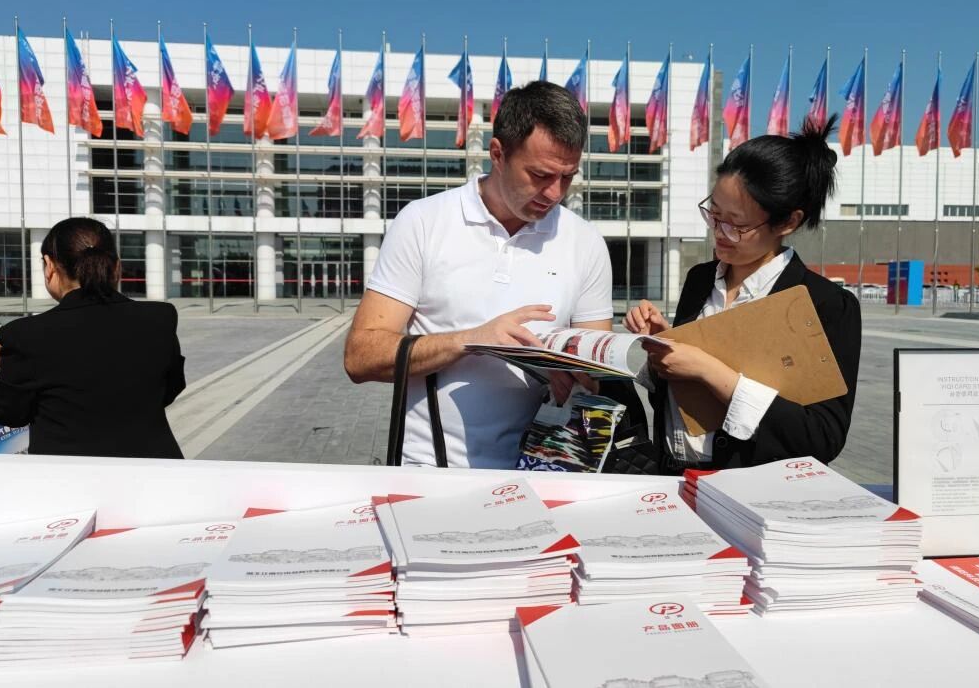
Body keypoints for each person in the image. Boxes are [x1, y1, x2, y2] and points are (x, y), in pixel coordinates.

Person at [345, 81, 613, 469]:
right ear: (498, 154)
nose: (555, 193)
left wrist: (571, 372)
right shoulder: (423, 222)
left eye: (568, 177)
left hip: (545, 473)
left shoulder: (585, 242)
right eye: (540, 175)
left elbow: (597, 377)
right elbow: (361, 356)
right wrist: (470, 340)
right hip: (431, 473)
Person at [625, 116, 860, 470]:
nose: (719, 233)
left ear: (788, 222)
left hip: (754, 486)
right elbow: (676, 402)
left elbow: (823, 436)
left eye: (737, 224)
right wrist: (666, 346)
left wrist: (711, 373)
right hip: (673, 475)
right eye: (714, 214)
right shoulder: (700, 279)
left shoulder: (826, 304)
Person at [0, 218, 186, 458]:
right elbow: (170, 388)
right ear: (117, 267)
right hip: (155, 469)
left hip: (68, 474)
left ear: (49, 266)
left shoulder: (26, 334)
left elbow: (7, 411)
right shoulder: (160, 318)